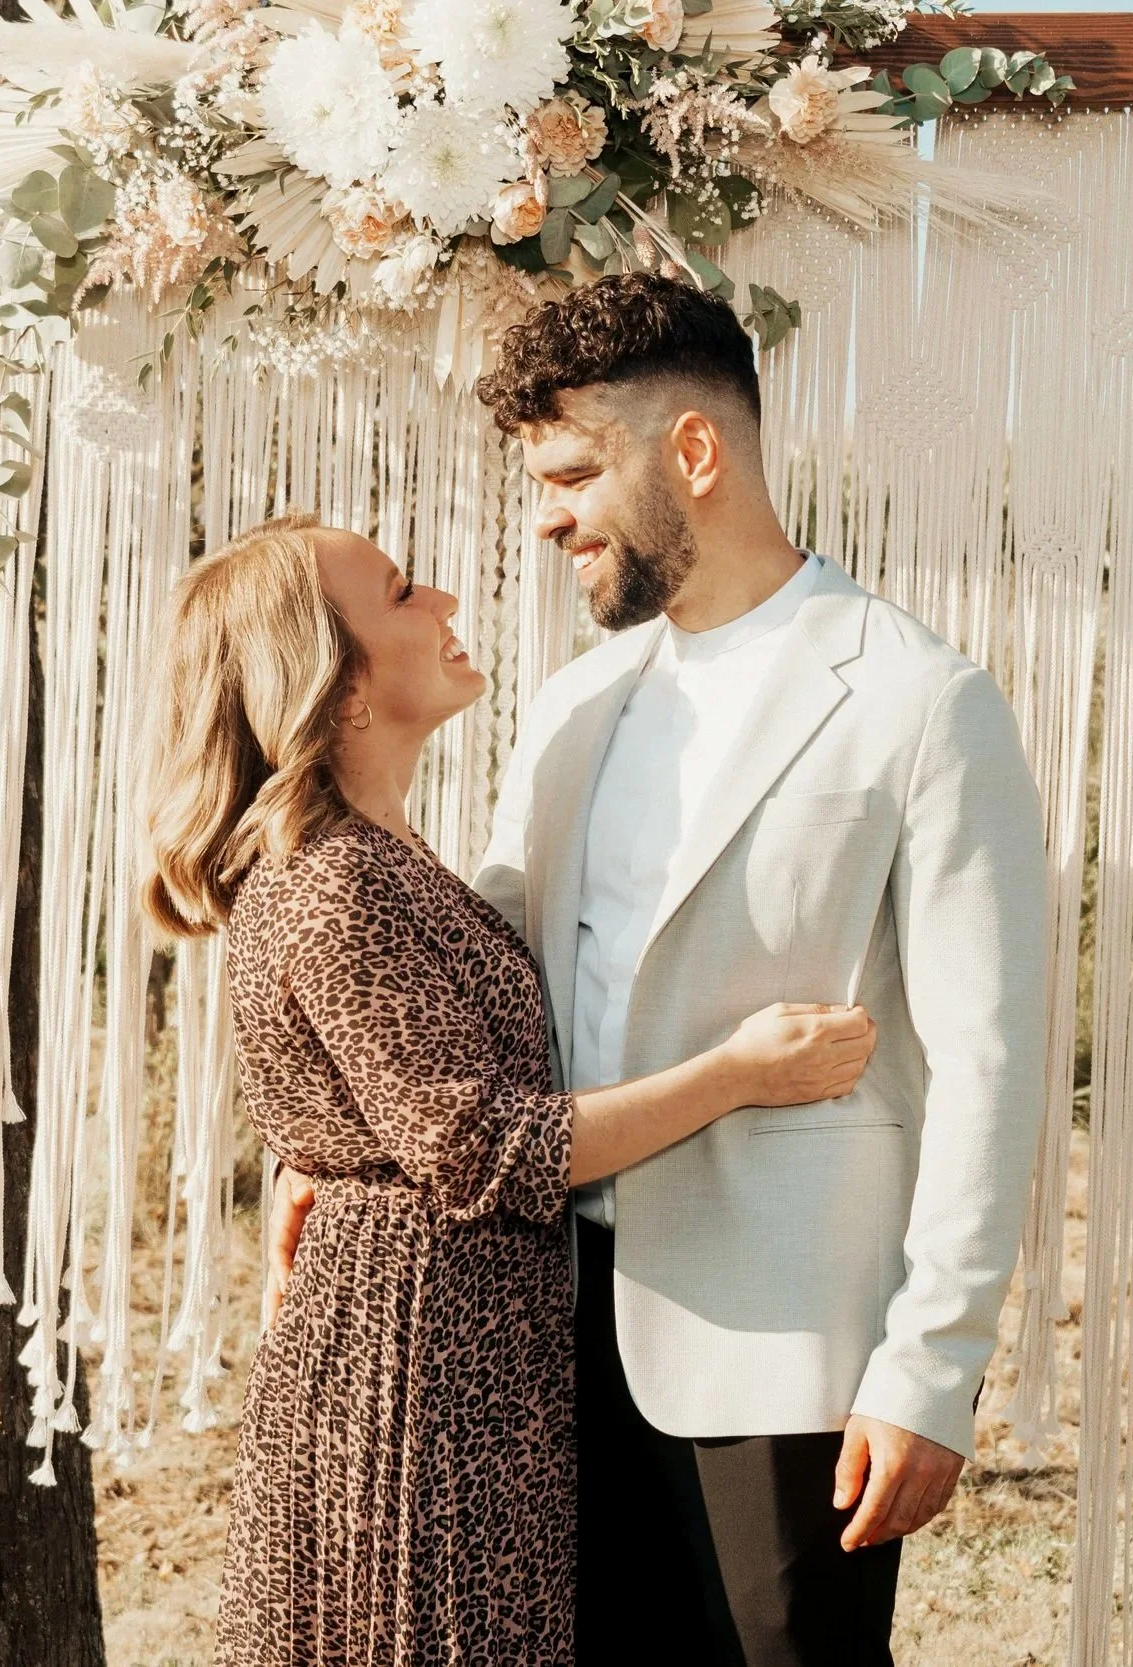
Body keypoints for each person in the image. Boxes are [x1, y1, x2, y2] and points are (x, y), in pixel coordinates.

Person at [273, 271, 1052, 1665]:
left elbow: (989, 1064)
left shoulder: (920, 698)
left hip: (788, 1347)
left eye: (573, 471)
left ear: (694, 452)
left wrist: (933, 1364)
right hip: (538, 1340)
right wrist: (335, 1148)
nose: (547, 512)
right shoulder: (575, 708)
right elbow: (476, 986)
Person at [141, 512, 879, 1667]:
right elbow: (483, 1147)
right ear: (337, 688)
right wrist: (740, 1072)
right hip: (415, 1373)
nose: (438, 599)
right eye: (398, 593)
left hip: (464, 1355)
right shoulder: (335, 882)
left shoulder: (388, 857)